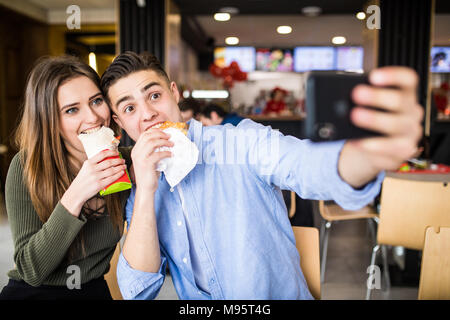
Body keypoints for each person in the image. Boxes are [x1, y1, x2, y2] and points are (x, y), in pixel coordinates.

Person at [100, 51, 423, 300]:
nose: (147, 115)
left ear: (174, 93)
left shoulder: (241, 142)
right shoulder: (140, 181)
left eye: (154, 95)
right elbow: (137, 290)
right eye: (129, 108)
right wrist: (145, 189)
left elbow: (306, 165)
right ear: (119, 121)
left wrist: (365, 155)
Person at [0, 56, 133, 300]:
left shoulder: (128, 161)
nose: (93, 117)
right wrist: (77, 193)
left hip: (93, 290)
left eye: (96, 101)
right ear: (50, 121)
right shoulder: (27, 166)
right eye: (72, 110)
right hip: (32, 293)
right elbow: (31, 270)